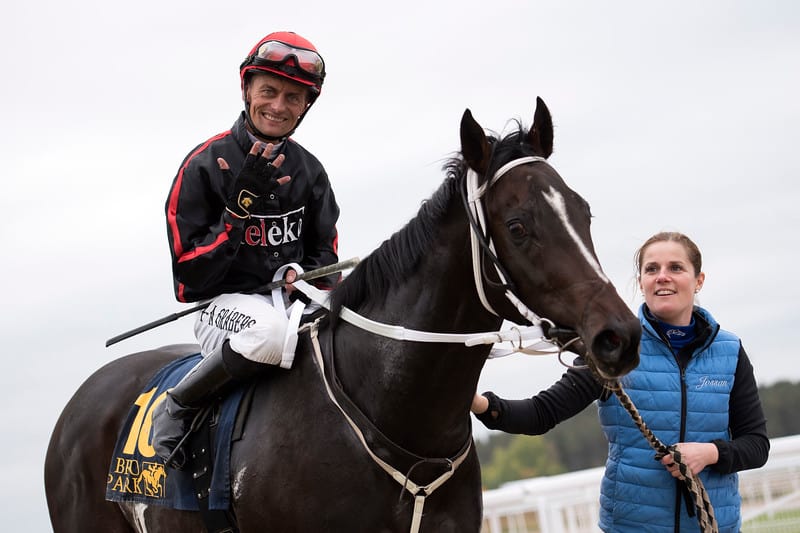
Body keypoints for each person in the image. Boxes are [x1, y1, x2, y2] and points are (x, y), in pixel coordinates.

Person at [472, 231, 769, 532]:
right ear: (641, 282)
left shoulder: (729, 351)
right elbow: (541, 413)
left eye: (675, 268)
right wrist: (480, 404)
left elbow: (756, 445)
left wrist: (709, 454)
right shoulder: (613, 348)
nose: (662, 276)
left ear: (698, 280)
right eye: (652, 269)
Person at [151, 31, 340, 468]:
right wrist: (236, 215)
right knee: (271, 335)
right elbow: (189, 280)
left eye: (293, 97)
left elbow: (325, 258)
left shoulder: (311, 172)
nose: (279, 106)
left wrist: (305, 278)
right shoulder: (202, 164)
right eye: (269, 91)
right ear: (246, 90)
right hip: (219, 306)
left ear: (305, 106)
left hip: (290, 304)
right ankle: (179, 405)